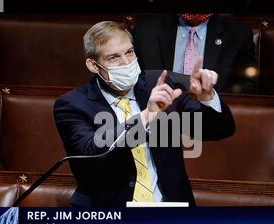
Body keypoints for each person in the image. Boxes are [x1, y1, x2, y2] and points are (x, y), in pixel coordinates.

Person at [54, 21, 235, 207]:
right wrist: (146, 116)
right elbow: (91, 151)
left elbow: (219, 129)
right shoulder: (72, 105)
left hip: (170, 211)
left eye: (129, 52)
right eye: (114, 57)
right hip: (110, 216)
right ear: (93, 65)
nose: (126, 63)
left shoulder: (161, 84)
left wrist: (207, 97)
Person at [133, 14, 258, 94]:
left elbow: (248, 87)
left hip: (209, 118)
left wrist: (210, 99)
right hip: (160, 117)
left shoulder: (237, 33)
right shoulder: (146, 29)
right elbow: (134, 82)